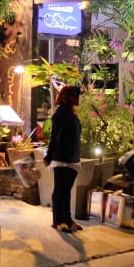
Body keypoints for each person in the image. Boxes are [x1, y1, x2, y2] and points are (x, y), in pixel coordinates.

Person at [44, 84, 83, 233]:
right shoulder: (60, 115)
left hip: (73, 159)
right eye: (74, 96)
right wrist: (49, 156)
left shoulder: (72, 114)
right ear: (66, 98)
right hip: (61, 159)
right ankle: (57, 221)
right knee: (59, 191)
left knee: (66, 191)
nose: (77, 99)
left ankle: (67, 219)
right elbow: (55, 138)